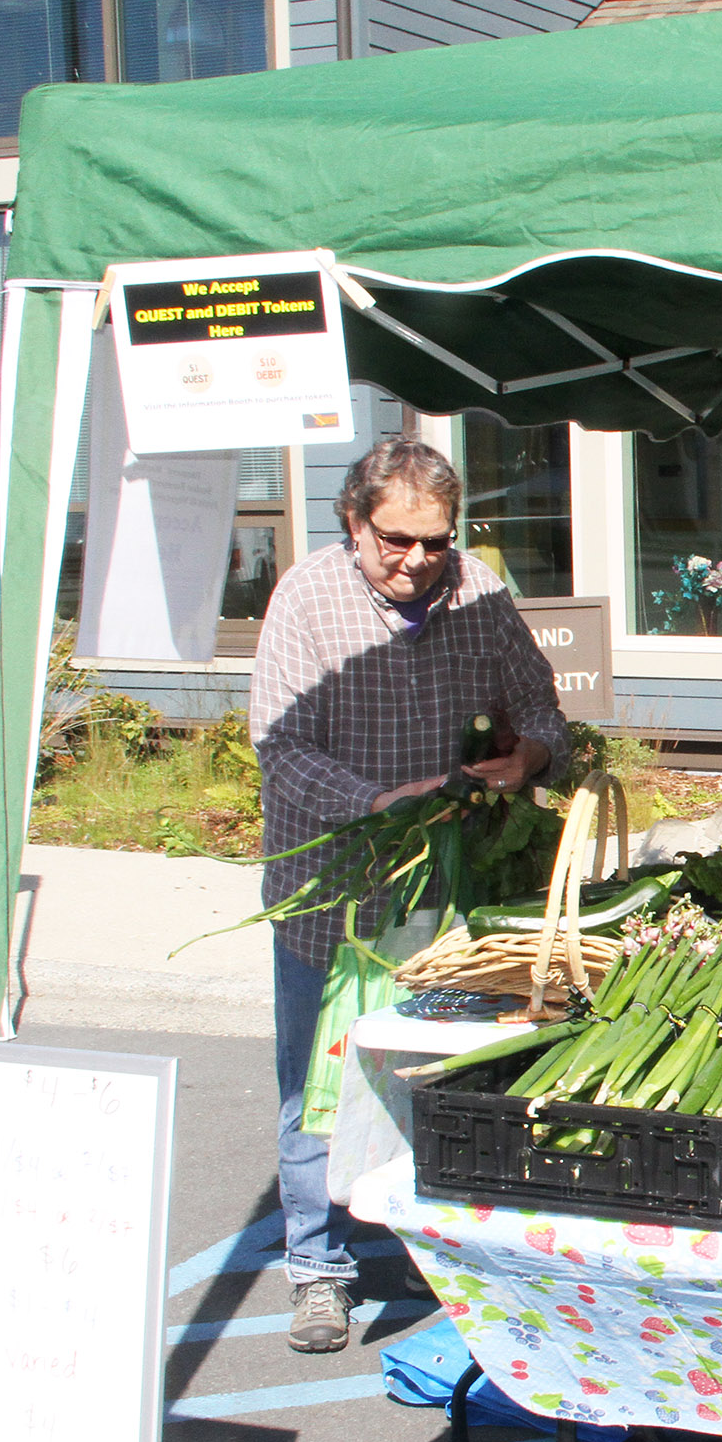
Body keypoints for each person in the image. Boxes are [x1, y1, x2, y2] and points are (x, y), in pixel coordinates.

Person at [250, 440, 567, 1354]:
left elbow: (541, 707)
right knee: (322, 1080)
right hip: (334, 888)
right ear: (355, 522)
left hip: (453, 892)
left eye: (437, 541)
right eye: (397, 540)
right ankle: (318, 1267)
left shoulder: (479, 591)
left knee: (443, 1069)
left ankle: (440, 1252)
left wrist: (531, 755)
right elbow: (281, 747)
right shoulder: (307, 597)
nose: (419, 561)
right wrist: (376, 803)